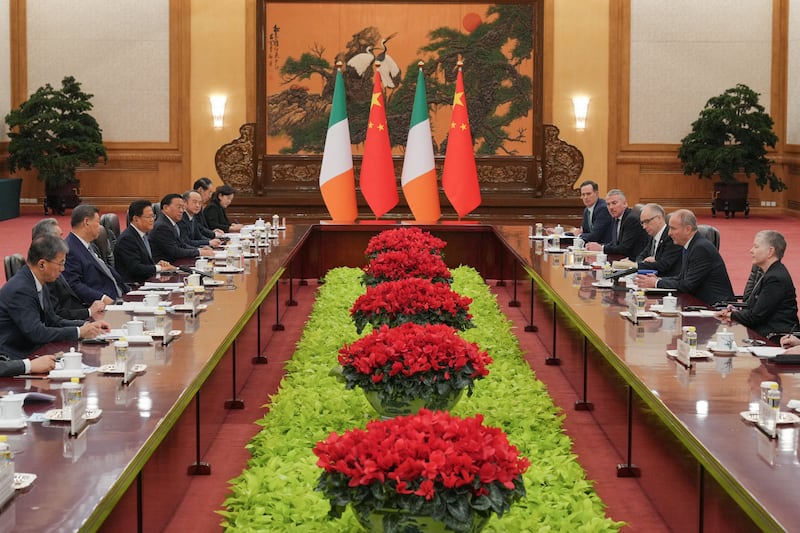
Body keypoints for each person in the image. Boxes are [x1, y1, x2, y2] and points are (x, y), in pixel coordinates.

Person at [0, 234, 109, 359]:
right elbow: (36, 333)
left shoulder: (39, 282)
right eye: (60, 263)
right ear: (42, 264)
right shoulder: (21, 289)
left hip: (34, 350)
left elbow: (53, 321)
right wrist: (79, 332)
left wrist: (85, 325)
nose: (63, 269)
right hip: (14, 357)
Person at [635, 209, 734, 306]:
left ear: (687, 229)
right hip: (698, 303)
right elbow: (681, 277)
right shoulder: (691, 245)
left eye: (673, 228)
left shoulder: (700, 248)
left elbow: (687, 285)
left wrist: (656, 283)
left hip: (716, 307)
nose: (669, 233)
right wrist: (659, 279)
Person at [716, 230, 798, 339]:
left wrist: (731, 315)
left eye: (756, 247)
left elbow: (756, 317)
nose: (751, 250)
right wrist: (736, 311)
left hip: (776, 337)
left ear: (770, 251)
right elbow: (757, 309)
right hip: (763, 332)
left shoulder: (775, 278)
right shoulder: (770, 273)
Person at [31, 218, 105, 321]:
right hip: (72, 322)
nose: (64, 241)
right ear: (45, 241)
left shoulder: (55, 264)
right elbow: (56, 315)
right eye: (59, 237)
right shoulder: (45, 272)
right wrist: (88, 313)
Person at [64, 204, 128, 306]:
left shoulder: (89, 245)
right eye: (97, 222)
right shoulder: (69, 249)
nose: (100, 227)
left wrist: (128, 291)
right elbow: (73, 284)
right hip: (103, 305)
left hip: (120, 297)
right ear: (86, 222)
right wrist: (102, 298)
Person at [114, 200, 176, 284]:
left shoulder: (142, 235)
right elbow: (135, 268)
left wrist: (157, 264)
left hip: (146, 280)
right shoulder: (127, 239)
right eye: (148, 217)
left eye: (153, 216)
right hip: (134, 285)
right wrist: (158, 268)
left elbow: (143, 262)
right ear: (136, 219)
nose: (152, 220)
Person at [149, 193, 216, 264]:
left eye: (182, 207)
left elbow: (182, 244)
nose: (181, 211)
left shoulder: (170, 223)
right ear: (166, 208)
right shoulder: (162, 226)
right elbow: (175, 251)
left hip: (175, 262)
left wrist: (199, 249)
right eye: (178, 207)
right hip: (168, 265)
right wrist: (199, 252)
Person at [585, 189, 648, 259]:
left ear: (625, 204)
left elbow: (624, 248)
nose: (611, 207)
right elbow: (615, 242)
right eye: (608, 204)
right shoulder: (616, 217)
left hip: (633, 260)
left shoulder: (631, 219)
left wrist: (601, 248)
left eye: (614, 203)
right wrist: (596, 246)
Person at [635, 203, 682, 277]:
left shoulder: (671, 237)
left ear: (659, 218)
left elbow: (664, 265)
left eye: (647, 221)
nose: (644, 227)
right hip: (650, 277)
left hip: (666, 279)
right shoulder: (652, 235)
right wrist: (642, 262)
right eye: (642, 223)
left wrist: (645, 264)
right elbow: (641, 256)